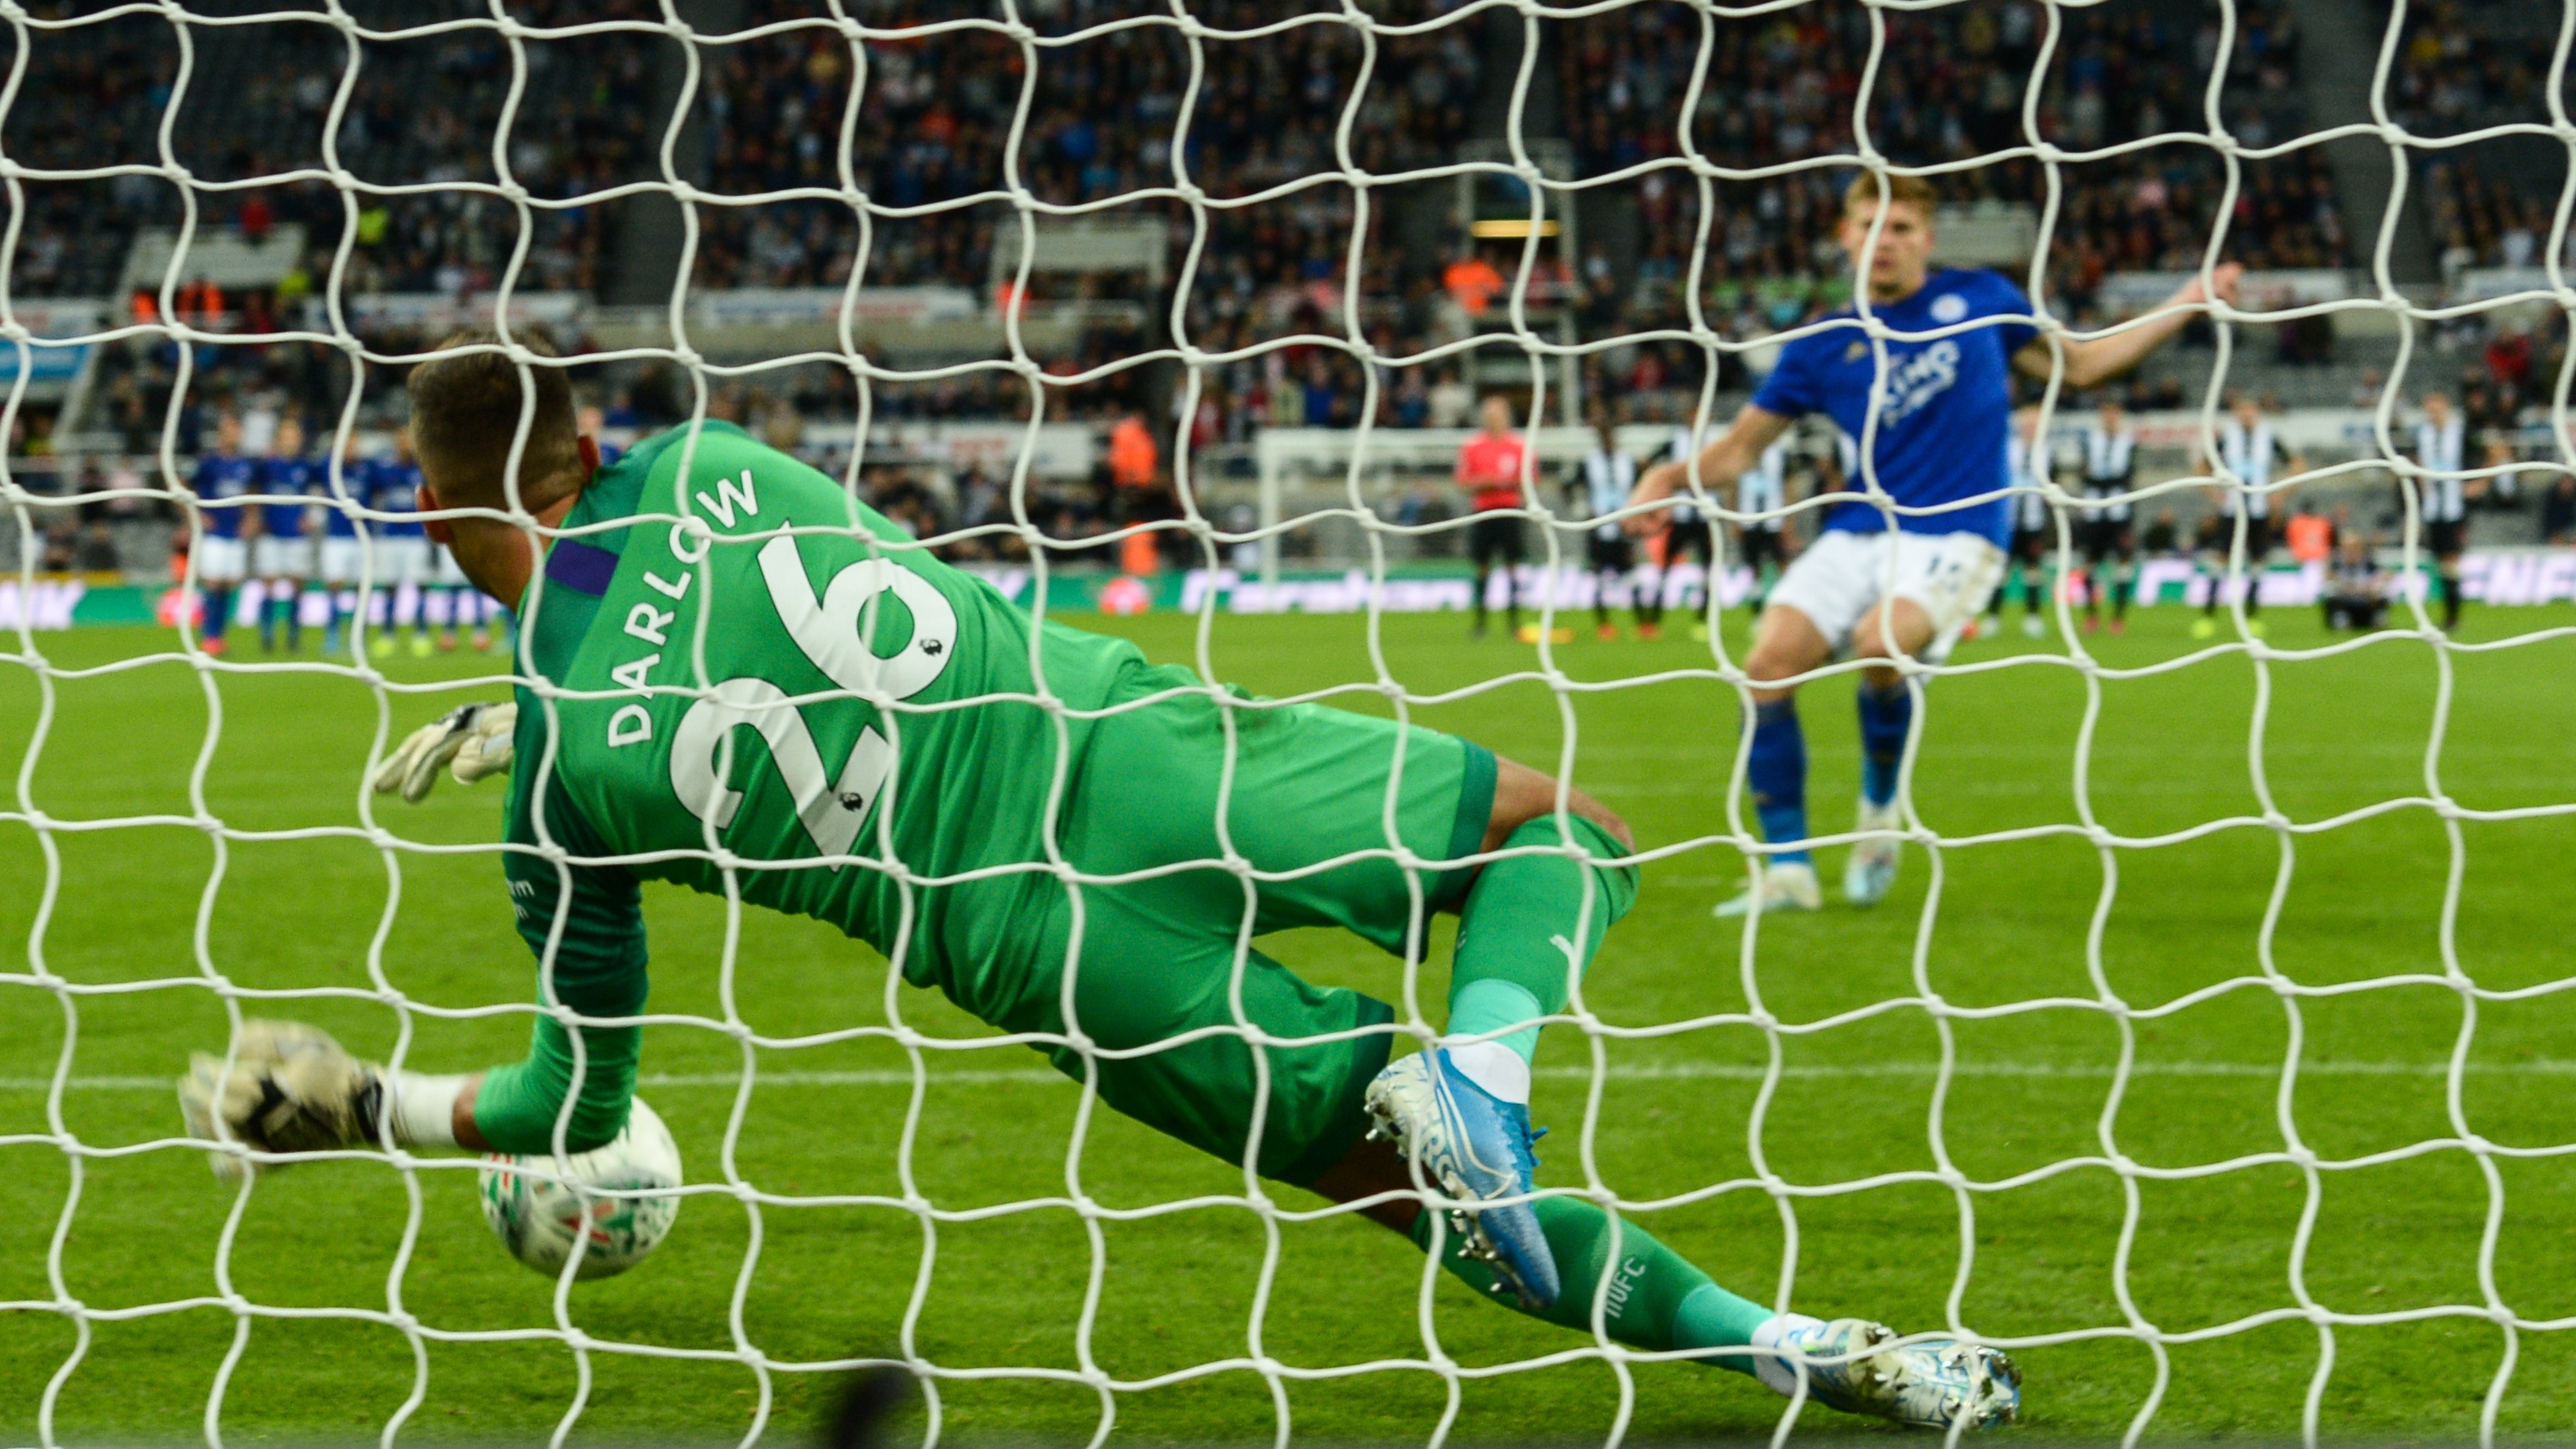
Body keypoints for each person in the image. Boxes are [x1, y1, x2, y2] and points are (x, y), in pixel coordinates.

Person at [172, 329, 2020, 1432]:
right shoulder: (717, 461)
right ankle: (1488, 1061)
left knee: (1426, 1211)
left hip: (1032, 941)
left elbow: (575, 1099)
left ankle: (1808, 1354)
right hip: (1114, 737)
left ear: (426, 520)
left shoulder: (569, 783)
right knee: (1551, 830)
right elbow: (645, 546)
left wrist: (365, 1107)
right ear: (590, 441)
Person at [1626, 172, 2236, 916]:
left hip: (1961, 529)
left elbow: (2081, 365)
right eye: (1869, 227)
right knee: (1765, 666)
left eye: (1902, 228)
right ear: (1845, 238)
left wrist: (2187, 301)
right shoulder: (1824, 344)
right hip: (1859, 528)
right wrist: (1667, 474)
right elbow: (1740, 453)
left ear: (1928, 239)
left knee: (1879, 645)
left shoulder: (1981, 300)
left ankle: (1878, 812)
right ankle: (1788, 870)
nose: (1885, 241)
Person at [2195, 396, 2302, 639]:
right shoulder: (2226, 437)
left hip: (2258, 510)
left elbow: (2298, 464)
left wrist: (2281, 493)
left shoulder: (2269, 437)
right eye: (2242, 409)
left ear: (2257, 412)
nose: (2246, 414)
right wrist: (2213, 494)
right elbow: (2201, 466)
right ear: (2236, 412)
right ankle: (2208, 616)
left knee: (2257, 561)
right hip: (2231, 509)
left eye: (2250, 409)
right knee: (2220, 559)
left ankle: (2252, 616)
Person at [1457, 394, 1543, 643]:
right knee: (1482, 567)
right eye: (1489, 415)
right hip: (1483, 512)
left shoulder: (1520, 447)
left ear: (1506, 417)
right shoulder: (1472, 447)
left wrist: (1505, 483)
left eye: (1498, 414)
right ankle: (1481, 623)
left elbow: (1533, 480)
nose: (1494, 419)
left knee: (1513, 567)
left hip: (1510, 511)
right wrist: (1482, 483)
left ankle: (1514, 622)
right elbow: (1462, 482)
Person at [1576, 413, 1657, 639]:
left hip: (1625, 529)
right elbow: (1570, 485)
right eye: (1604, 436)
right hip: (1599, 528)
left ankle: (1643, 623)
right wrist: (1583, 508)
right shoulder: (1589, 462)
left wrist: (1640, 513)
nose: (1608, 440)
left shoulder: (1628, 462)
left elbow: (1642, 487)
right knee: (1600, 578)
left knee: (1632, 577)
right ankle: (1604, 625)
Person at [182, 411, 256, 655]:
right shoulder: (208, 462)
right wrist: (196, 515)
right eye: (229, 430)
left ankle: (219, 636)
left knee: (228, 585)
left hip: (235, 533)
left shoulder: (245, 465)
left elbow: (252, 493)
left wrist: (250, 518)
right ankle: (209, 636)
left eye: (237, 430)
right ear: (221, 434)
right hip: (213, 534)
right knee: (213, 583)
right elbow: (181, 486)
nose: (234, 435)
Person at [2411, 390, 2480, 633]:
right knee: (2441, 563)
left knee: (2451, 561)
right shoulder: (2422, 434)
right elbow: (2415, 462)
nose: (2434, 413)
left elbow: (2485, 454)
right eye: (2430, 409)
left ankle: (2453, 616)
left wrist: (2478, 484)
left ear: (2447, 408)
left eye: (2438, 409)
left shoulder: (2461, 431)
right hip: (2432, 509)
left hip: (2454, 509)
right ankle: (2450, 615)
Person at [1986, 403, 2053, 640]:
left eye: (2035, 425)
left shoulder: (2046, 452)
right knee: (1999, 573)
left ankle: (2032, 618)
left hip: (2033, 522)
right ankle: (1992, 619)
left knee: (2033, 573)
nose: (2031, 429)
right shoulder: (2008, 450)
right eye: (2028, 424)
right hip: (2008, 521)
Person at [252, 415, 317, 654]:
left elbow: (319, 491)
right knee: (269, 582)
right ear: (279, 439)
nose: (291, 440)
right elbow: (252, 488)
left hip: (297, 535)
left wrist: (312, 515)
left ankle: (293, 636)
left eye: (294, 435)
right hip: (271, 533)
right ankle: (267, 635)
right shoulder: (266, 465)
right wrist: (254, 517)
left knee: (297, 584)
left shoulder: (305, 466)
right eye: (286, 435)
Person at [368, 429, 434, 658]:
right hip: (390, 535)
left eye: (408, 440)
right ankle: (387, 635)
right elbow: (370, 492)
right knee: (389, 587)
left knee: (420, 586)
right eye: (401, 440)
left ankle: (421, 634)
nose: (405, 444)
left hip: (416, 534)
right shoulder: (383, 468)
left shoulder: (423, 468)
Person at [2076, 399, 2138, 634]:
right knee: (2089, 565)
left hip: (2119, 514)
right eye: (2106, 413)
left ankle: (2118, 618)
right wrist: (2110, 479)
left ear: (2119, 415)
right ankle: (2091, 616)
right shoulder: (2090, 441)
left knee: (2123, 565)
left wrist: (2100, 479)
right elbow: (2084, 475)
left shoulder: (2128, 443)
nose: (2110, 417)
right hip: (2093, 512)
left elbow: (2128, 477)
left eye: (2114, 413)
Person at [1660, 422, 1722, 639]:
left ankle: (1703, 618)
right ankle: (1653, 618)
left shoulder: (1716, 441)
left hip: (1705, 518)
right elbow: (1653, 461)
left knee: (1708, 569)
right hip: (1682, 517)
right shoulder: (1676, 440)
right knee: (1665, 568)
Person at [1734, 432, 1796, 622]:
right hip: (1749, 519)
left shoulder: (1782, 456)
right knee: (1754, 568)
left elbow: (1789, 488)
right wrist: (1734, 516)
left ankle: (1788, 606)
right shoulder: (1745, 455)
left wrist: (1789, 520)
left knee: (1782, 565)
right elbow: (1733, 485)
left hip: (1774, 520)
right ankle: (1757, 611)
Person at [2321, 532, 2387, 631]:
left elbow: (2384, 575)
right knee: (2330, 591)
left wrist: (2370, 587)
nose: (2351, 550)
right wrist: (2345, 586)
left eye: (2354, 547)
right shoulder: (2336, 562)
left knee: (2382, 589)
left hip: (2365, 598)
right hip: (2345, 597)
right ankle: (2340, 618)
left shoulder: (2368, 562)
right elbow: (2328, 576)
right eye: (2347, 547)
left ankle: (2376, 618)